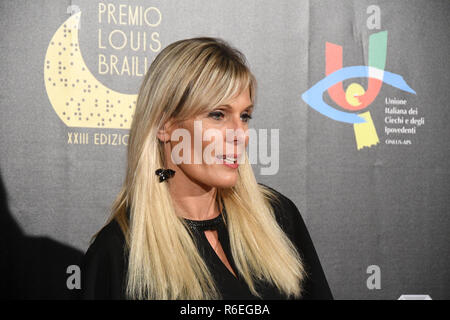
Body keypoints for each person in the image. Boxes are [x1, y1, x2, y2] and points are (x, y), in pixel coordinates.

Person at [80, 37, 333, 300]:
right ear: (164, 125)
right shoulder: (120, 253)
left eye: (244, 116)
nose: (240, 134)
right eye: (217, 115)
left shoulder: (277, 216)